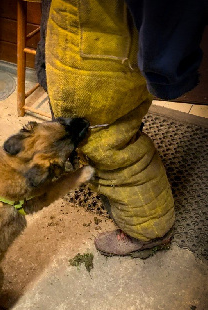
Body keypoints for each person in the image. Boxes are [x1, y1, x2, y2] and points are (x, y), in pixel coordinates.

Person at [36, 0, 207, 257]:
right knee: (113, 133)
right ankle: (137, 212)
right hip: (86, 31)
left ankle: (149, 231)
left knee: (104, 144)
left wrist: (165, 66)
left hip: (96, 40)